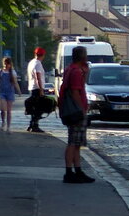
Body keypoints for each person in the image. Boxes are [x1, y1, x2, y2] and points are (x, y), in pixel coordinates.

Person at [58, 45, 95, 184]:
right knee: (73, 142)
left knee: (77, 143)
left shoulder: (72, 69)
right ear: (83, 57)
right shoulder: (75, 72)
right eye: (86, 55)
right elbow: (75, 92)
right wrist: (81, 109)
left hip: (73, 110)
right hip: (76, 111)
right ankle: (69, 172)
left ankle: (77, 171)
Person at [26, 46, 49, 132]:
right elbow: (38, 76)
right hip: (37, 88)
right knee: (40, 108)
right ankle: (35, 125)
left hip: (32, 87)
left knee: (34, 107)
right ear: (42, 55)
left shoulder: (31, 62)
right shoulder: (38, 63)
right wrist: (41, 90)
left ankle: (32, 124)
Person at [0, 56, 19, 131]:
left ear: (10, 64)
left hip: (10, 93)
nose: (6, 65)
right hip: (2, 92)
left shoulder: (13, 72)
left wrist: (19, 91)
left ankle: (8, 126)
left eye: (7, 63)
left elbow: (15, 83)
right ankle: (3, 122)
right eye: (4, 63)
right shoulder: (0, 72)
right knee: (2, 109)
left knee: (9, 111)